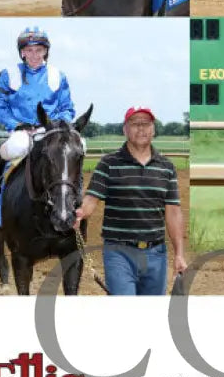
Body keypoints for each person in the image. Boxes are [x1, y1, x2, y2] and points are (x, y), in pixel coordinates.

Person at [75, 106, 187, 295]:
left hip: (156, 254)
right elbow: (91, 200)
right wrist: (80, 213)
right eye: (135, 124)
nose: (141, 129)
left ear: (153, 128)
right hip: (119, 253)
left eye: (146, 124)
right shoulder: (108, 163)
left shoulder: (166, 167)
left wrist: (179, 254)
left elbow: (173, 212)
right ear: (125, 129)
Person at [0, 27, 75, 189]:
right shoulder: (8, 74)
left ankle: (75, 189)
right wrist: (17, 124)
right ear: (22, 52)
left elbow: (67, 108)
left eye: (39, 50)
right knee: (18, 146)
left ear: (46, 51)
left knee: (80, 145)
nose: (34, 55)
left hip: (50, 131)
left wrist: (57, 125)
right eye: (29, 50)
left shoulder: (58, 75)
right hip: (22, 132)